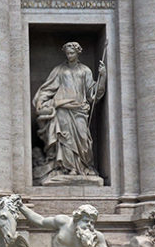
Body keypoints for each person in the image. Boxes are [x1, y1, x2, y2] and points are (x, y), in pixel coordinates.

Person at [33, 41, 106, 180]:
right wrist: (42, 101)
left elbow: (93, 94)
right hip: (62, 110)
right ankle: (68, 169)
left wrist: (102, 77)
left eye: (72, 53)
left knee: (83, 139)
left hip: (80, 110)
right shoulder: (59, 70)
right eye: (67, 53)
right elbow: (48, 88)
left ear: (78, 53)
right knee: (64, 139)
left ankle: (84, 166)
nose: (69, 55)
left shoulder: (85, 70)